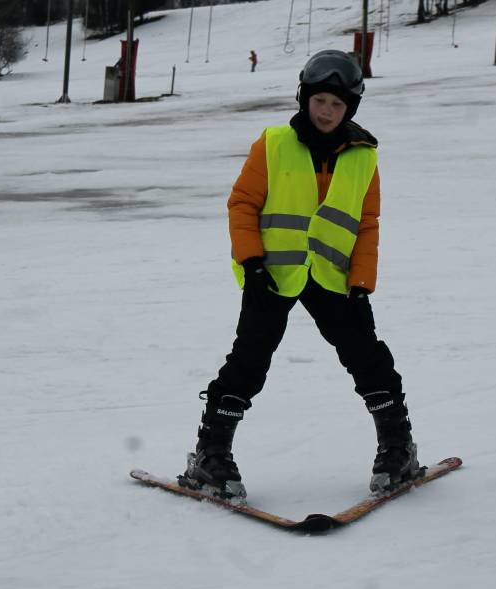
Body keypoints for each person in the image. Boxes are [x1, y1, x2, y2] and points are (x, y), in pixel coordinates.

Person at [178, 50, 419, 501]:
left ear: (350, 108)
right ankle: (211, 453)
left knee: (367, 358)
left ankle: (397, 446)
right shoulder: (273, 144)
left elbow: (366, 224)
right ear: (305, 98)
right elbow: (242, 204)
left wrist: (361, 283)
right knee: (249, 360)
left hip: (333, 277)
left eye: (337, 104)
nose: (326, 111)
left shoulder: (364, 157)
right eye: (320, 100)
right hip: (272, 274)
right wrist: (251, 262)